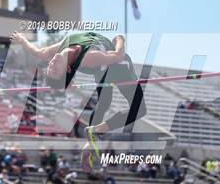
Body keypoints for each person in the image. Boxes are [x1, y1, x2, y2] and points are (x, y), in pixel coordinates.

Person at [10, 31, 147, 163]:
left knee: (105, 101)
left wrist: (21, 39)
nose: (52, 64)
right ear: (68, 69)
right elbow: (118, 55)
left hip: (101, 67)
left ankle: (94, 132)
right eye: (56, 69)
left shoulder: (55, 51)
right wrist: (120, 39)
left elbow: (36, 51)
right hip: (118, 67)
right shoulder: (89, 58)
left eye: (50, 68)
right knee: (139, 109)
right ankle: (97, 131)